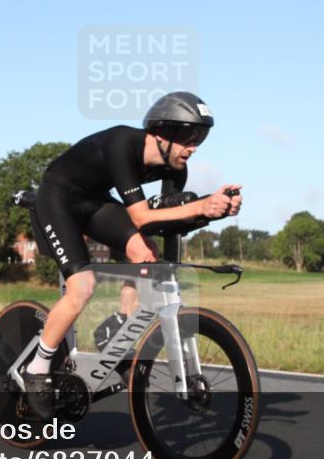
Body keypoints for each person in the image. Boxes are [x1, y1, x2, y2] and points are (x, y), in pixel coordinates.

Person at [23, 91, 243, 420]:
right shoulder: (123, 144)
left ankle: (116, 328)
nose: (194, 146)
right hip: (58, 197)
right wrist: (201, 204)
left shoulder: (174, 170)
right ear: (160, 133)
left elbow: (166, 225)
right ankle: (36, 370)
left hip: (94, 201)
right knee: (82, 285)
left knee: (147, 256)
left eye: (199, 137)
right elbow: (140, 217)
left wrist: (212, 214)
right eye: (187, 137)